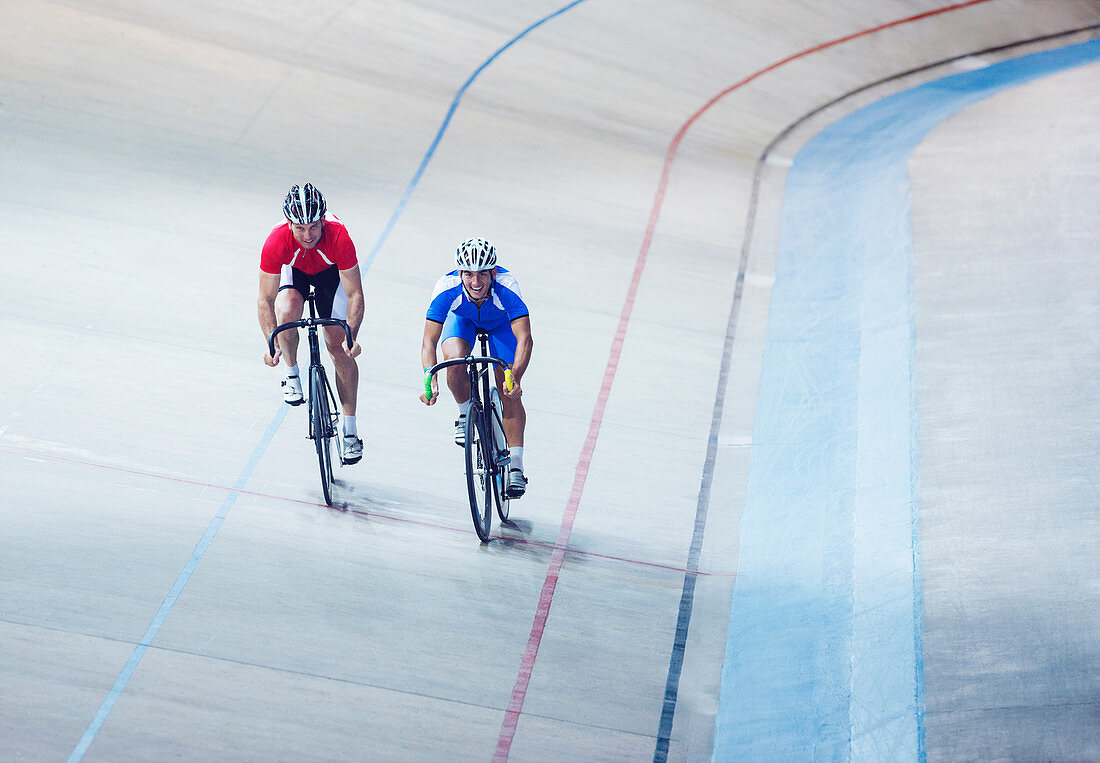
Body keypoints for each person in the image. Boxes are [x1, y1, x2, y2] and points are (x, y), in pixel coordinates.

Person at [257, 183, 366, 463]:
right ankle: (292, 374)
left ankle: (350, 430)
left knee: (338, 348)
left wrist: (350, 335)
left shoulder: (339, 236)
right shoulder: (276, 240)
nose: (308, 235)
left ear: (323, 221)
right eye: (300, 228)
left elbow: (354, 293)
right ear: (290, 225)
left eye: (314, 227)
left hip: (332, 277)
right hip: (297, 274)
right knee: (287, 312)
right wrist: (271, 343)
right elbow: (265, 300)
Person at [419, 237, 533, 497]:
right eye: (469, 274)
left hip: (501, 325)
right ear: (460, 273)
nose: (476, 282)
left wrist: (515, 377)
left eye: (483, 274)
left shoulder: (508, 287)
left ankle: (515, 465)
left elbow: (525, 338)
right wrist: (429, 378)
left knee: (507, 389)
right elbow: (429, 341)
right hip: (463, 322)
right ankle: (464, 414)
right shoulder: (446, 287)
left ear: (493, 272)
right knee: (454, 362)